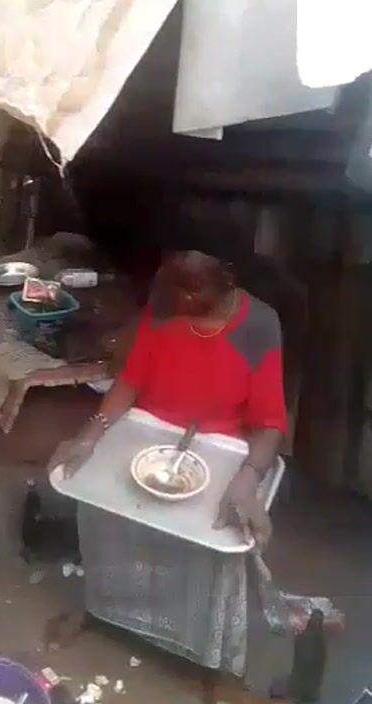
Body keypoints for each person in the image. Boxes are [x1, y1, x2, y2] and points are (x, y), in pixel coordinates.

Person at [50, 246, 287, 677]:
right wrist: (90, 433)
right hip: (148, 433)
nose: (179, 320)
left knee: (216, 540)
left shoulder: (259, 326)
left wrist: (250, 477)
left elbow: (270, 423)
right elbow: (131, 380)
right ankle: (101, 606)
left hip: (218, 445)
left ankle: (202, 650)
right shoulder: (164, 306)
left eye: (193, 311)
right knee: (103, 508)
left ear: (223, 286)